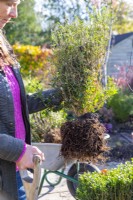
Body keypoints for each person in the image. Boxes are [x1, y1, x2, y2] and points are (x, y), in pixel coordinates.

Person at [0, 0, 63, 199]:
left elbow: (15, 105)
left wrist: (60, 95)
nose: (15, 14)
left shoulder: (3, 46)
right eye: (9, 3)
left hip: (12, 170)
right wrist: (18, 150)